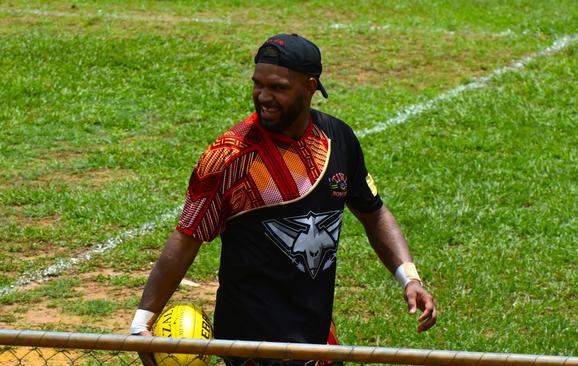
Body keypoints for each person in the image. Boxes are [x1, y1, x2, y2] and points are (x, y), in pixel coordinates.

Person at [130, 33, 437, 366]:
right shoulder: (231, 158)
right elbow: (187, 236)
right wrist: (142, 322)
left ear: (309, 86)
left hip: (318, 341)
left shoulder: (338, 139)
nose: (263, 96)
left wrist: (409, 278)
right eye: (258, 85)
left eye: (277, 87)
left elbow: (373, 213)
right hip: (252, 347)